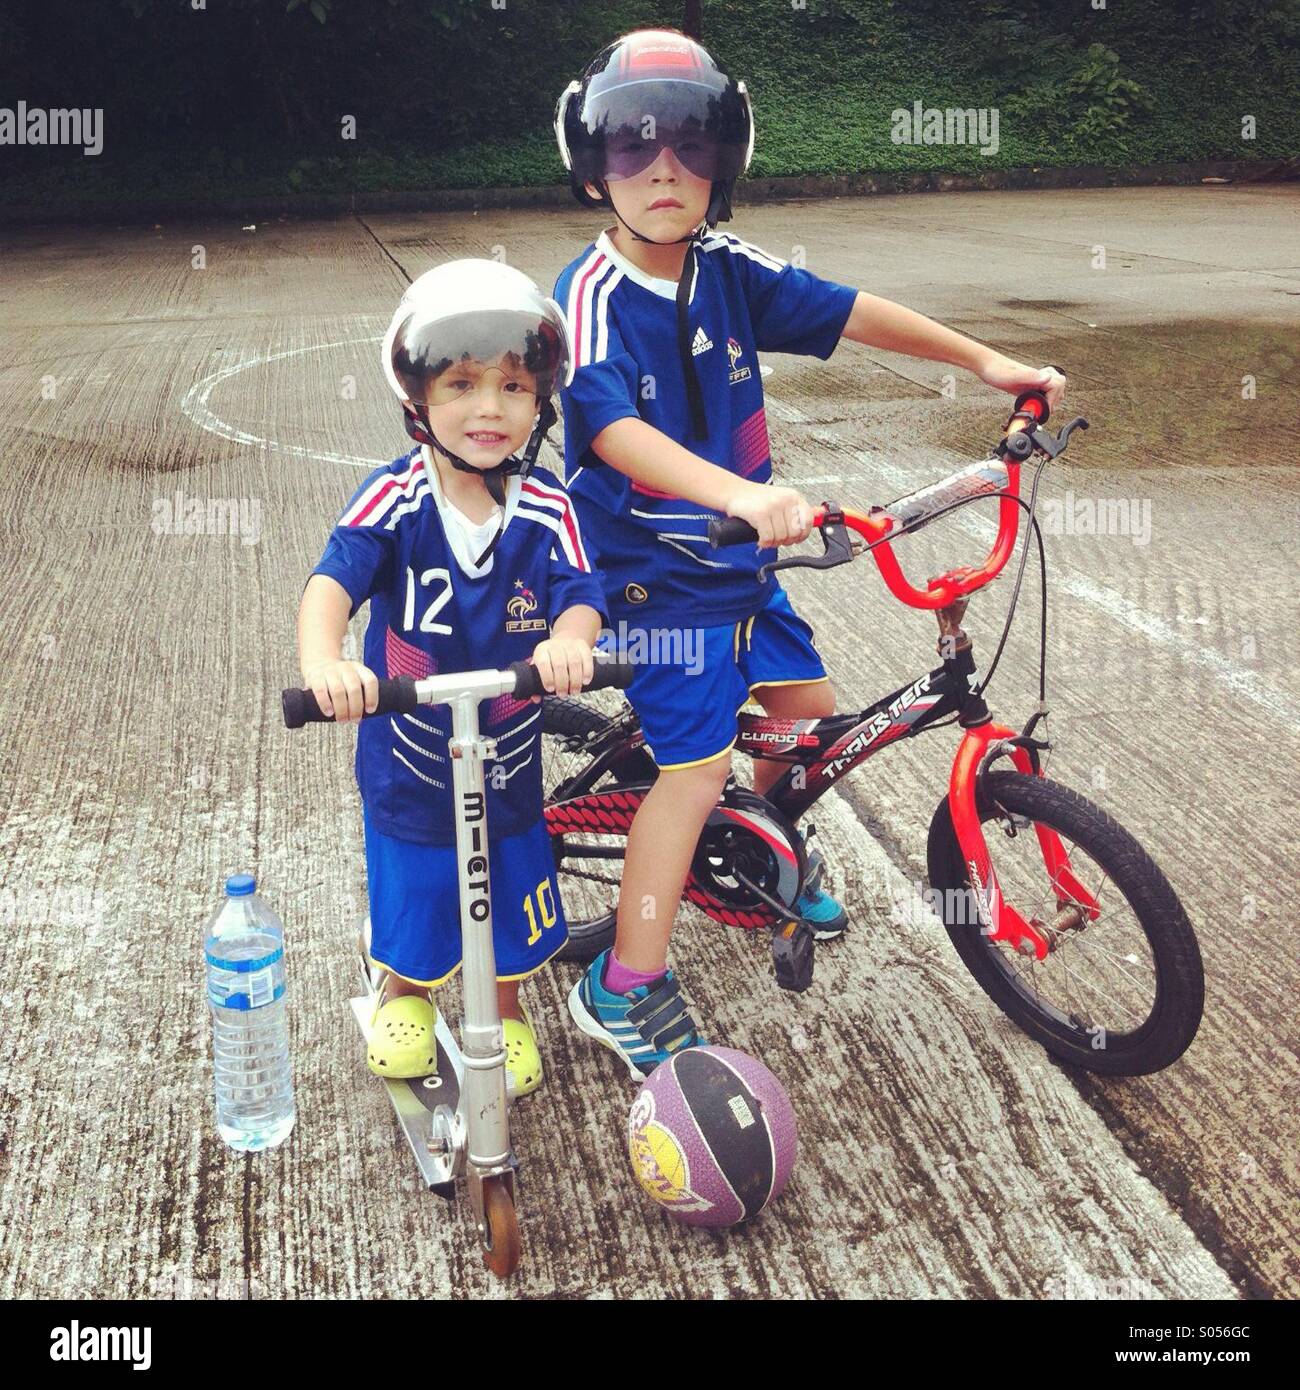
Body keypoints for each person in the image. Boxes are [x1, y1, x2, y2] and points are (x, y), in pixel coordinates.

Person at [552, 29, 1067, 1080]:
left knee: (809, 721)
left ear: (726, 162)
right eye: (631, 149)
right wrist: (741, 492)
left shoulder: (725, 269)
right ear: (590, 162)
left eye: (691, 148)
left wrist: (982, 360)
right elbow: (611, 431)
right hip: (654, 579)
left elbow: (846, 310)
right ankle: (624, 984)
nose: (663, 172)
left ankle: (756, 867)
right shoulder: (591, 299)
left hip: (745, 565)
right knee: (694, 773)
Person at [298, 259, 605, 1097]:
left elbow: (582, 595)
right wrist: (325, 661)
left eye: (512, 387)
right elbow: (334, 580)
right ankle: (404, 993)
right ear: (419, 402)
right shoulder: (394, 498)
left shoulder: (547, 505)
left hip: (505, 752)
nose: (488, 408)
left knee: (508, 881)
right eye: (463, 384)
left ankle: (503, 1011)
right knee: (418, 879)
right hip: (409, 749)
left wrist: (570, 643)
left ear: (540, 402)